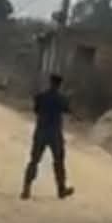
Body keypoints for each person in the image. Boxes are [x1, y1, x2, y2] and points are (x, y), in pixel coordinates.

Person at [21, 73, 74, 201]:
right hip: (55, 133)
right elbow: (68, 110)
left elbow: (36, 110)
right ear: (60, 85)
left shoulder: (40, 96)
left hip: (41, 131)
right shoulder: (62, 98)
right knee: (59, 161)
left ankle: (26, 188)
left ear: (50, 82)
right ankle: (61, 189)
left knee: (34, 160)